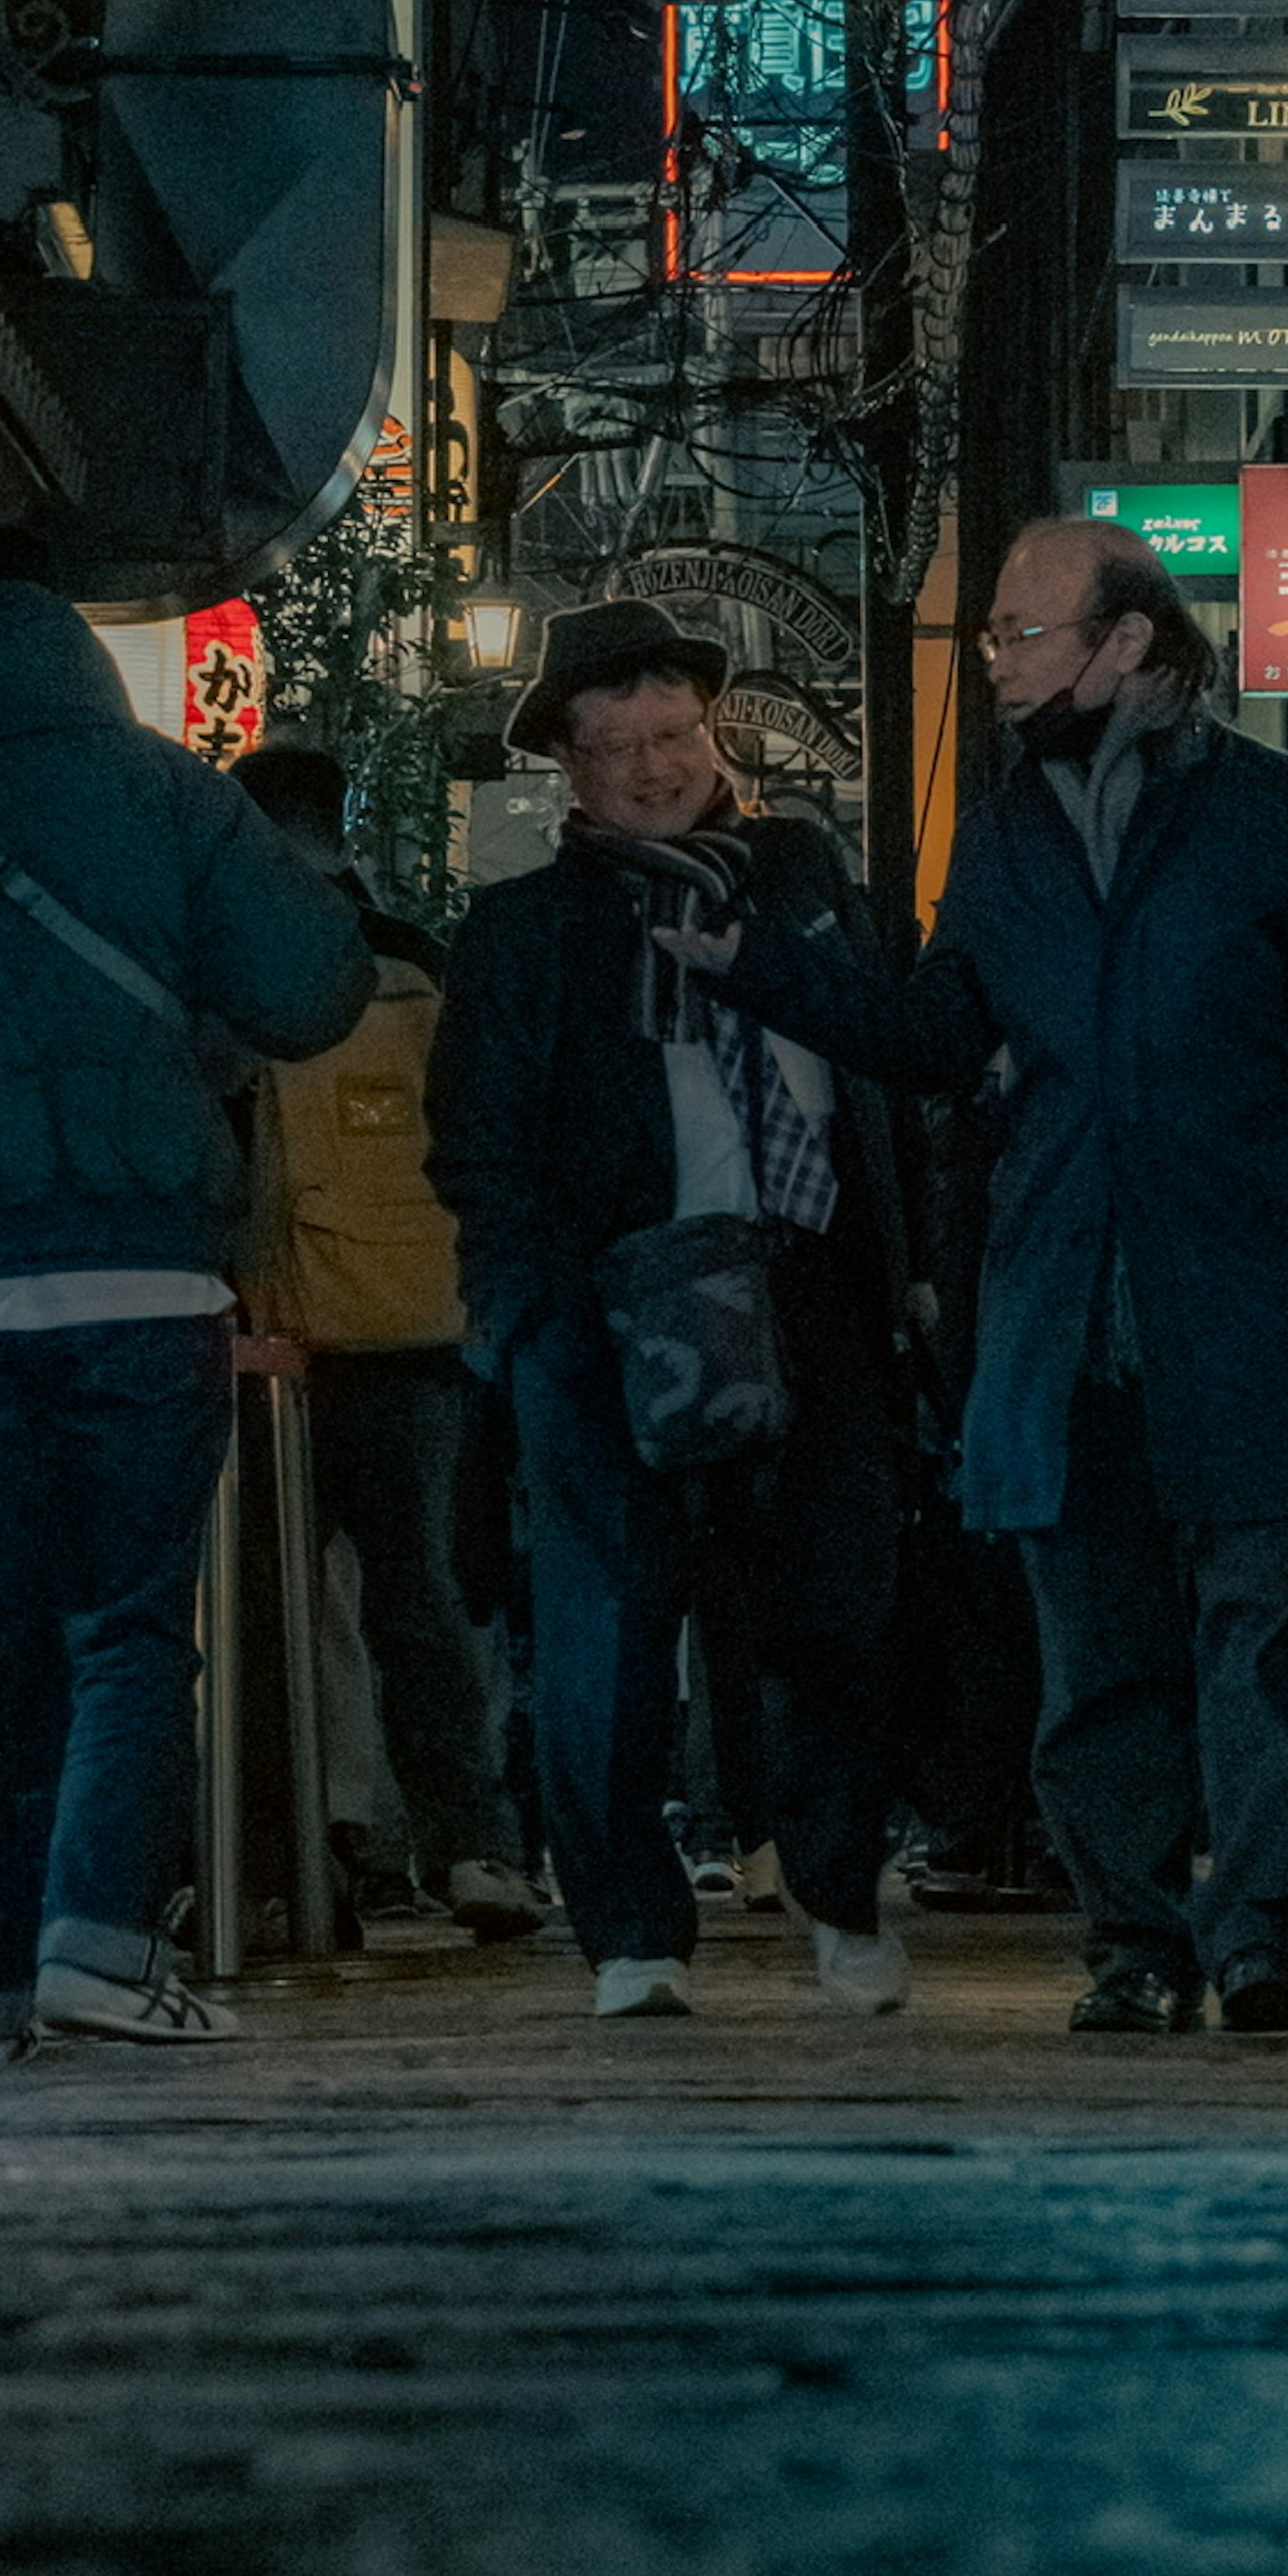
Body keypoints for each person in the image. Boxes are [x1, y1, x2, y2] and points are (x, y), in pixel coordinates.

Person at [680, 520, 1288, 2040]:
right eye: (998, 638)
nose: (1003, 660)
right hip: (1060, 1304)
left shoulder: (1280, 814)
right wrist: (761, 966)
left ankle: (1261, 1943)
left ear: (1131, 646)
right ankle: (1136, 1944)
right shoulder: (1012, 826)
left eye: (1026, 633)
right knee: (1097, 1655)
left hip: (1257, 1300)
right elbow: (939, 1034)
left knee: (1264, 1637)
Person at [0, 521, 372, 2067]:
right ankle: (101, 1944)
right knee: (128, 1632)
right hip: (143, 1280)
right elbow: (311, 988)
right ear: (64, 629)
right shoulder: (163, 788)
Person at [425, 599, 916, 2023]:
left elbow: (886, 1068)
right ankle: (630, 1930)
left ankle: (836, 1888)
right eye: (619, 744)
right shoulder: (524, 932)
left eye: (677, 734)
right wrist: (524, 1319)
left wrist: (913, 1270)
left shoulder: (805, 881)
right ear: (568, 771)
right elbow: (480, 1147)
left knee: (839, 1609)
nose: (655, 766)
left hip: (809, 1278)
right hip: (608, 1303)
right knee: (608, 1627)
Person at [229, 738, 546, 1946]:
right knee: (428, 1608)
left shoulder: (239, 968)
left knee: (273, 1619)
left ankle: (294, 1866)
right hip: (423, 1330)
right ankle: (476, 1852)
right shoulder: (421, 963)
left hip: (274, 1346)